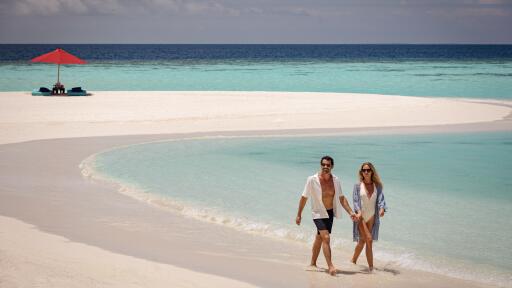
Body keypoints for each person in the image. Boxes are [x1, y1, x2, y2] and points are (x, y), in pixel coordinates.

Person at [296, 156, 357, 276]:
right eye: (323, 164)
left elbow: (341, 198)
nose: (325, 167)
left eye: (328, 165)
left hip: (329, 213)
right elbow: (304, 197)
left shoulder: (336, 180)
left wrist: (351, 212)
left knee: (319, 238)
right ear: (320, 165)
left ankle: (313, 263)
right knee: (326, 238)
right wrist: (299, 214)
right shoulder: (312, 180)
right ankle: (330, 266)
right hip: (318, 212)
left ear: (332, 166)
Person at [351, 162, 387, 272]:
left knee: (362, 241)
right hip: (361, 216)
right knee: (369, 240)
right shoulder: (357, 186)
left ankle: (353, 261)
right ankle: (371, 269)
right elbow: (356, 201)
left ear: (372, 172)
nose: (366, 172)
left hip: (372, 216)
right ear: (361, 172)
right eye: (364, 170)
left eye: (368, 170)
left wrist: (382, 209)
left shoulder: (378, 186)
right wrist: (358, 212)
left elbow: (381, 200)